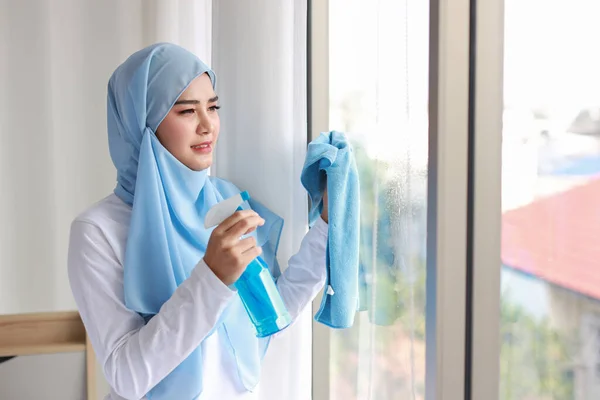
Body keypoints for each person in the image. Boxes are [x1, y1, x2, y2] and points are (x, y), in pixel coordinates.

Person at [67, 42, 329, 400]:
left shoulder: (224, 201)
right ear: (141, 123)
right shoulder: (98, 231)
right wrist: (211, 276)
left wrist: (327, 226)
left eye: (213, 107)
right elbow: (127, 376)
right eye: (187, 111)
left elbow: (268, 315)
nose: (208, 126)